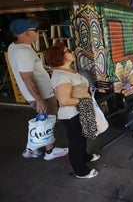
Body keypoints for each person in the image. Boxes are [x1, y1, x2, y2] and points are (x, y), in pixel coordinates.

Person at [7, 18, 68, 160]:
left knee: (42, 120)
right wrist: (39, 100)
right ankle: (49, 151)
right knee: (48, 121)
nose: (37, 33)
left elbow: (27, 68)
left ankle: (31, 147)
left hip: (35, 94)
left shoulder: (14, 46)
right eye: (35, 30)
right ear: (27, 33)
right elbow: (27, 77)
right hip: (42, 94)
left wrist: (44, 68)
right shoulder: (24, 52)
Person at [44, 43, 100, 179]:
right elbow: (64, 100)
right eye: (67, 51)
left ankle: (85, 157)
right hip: (71, 115)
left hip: (78, 111)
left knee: (82, 137)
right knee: (75, 142)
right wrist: (85, 102)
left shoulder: (67, 71)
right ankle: (80, 171)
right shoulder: (61, 76)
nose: (71, 52)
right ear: (59, 57)